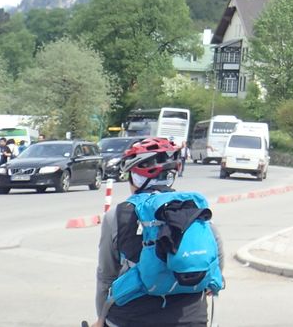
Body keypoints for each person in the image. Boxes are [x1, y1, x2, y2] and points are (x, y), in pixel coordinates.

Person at [95, 137, 222, 327]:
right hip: (191, 317)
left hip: (130, 318)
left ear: (136, 177)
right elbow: (216, 259)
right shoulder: (193, 209)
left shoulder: (117, 215)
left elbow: (106, 275)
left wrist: (101, 317)